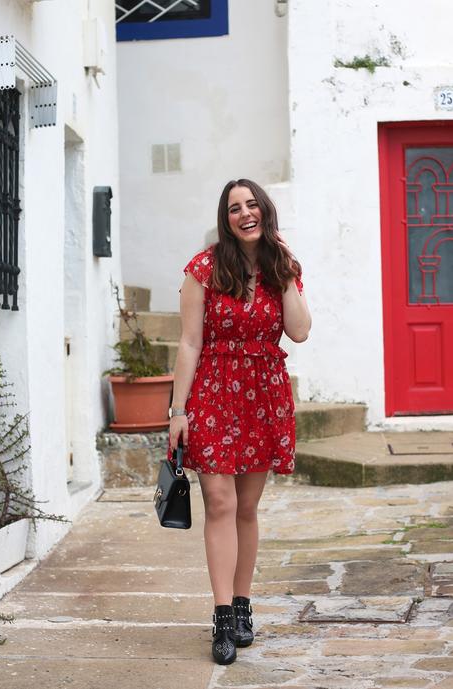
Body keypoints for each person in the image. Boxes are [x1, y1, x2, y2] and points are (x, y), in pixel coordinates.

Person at [168, 178, 311, 665]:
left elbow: (300, 331)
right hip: (213, 391)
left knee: (247, 508)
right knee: (220, 502)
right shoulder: (205, 268)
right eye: (235, 208)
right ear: (225, 219)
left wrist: (287, 270)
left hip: (264, 396)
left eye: (252, 205)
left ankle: (244, 604)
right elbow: (188, 342)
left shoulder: (281, 267)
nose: (244, 213)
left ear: (265, 213)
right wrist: (177, 410)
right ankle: (223, 617)